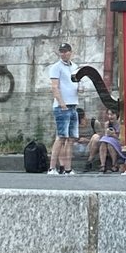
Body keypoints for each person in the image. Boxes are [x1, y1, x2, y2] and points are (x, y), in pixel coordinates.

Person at [47, 42, 79, 175]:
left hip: (73, 104)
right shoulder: (56, 67)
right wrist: (61, 103)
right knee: (61, 137)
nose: (63, 53)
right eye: (61, 51)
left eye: (66, 51)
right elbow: (55, 86)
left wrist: (79, 88)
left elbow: (75, 83)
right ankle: (52, 167)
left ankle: (67, 168)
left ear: (70, 52)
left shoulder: (75, 67)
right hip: (63, 106)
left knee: (71, 138)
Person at [84, 108, 123, 173]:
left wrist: (113, 134)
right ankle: (102, 165)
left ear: (117, 115)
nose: (110, 116)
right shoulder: (107, 124)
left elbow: (121, 139)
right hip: (108, 142)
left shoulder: (120, 124)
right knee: (103, 142)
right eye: (109, 114)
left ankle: (114, 164)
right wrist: (107, 133)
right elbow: (105, 137)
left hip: (117, 143)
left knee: (109, 144)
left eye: (112, 114)